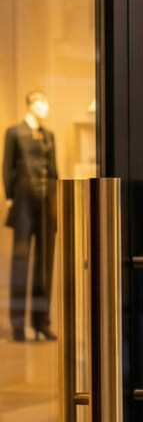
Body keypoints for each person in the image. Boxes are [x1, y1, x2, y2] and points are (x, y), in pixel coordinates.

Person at [3, 92, 58, 342]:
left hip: (46, 202)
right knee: (21, 263)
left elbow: (55, 171)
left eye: (47, 102)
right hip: (24, 202)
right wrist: (10, 197)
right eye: (41, 102)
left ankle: (41, 322)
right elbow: (8, 166)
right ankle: (17, 324)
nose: (45, 106)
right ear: (30, 104)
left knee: (45, 263)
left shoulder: (49, 136)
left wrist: (57, 200)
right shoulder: (15, 133)